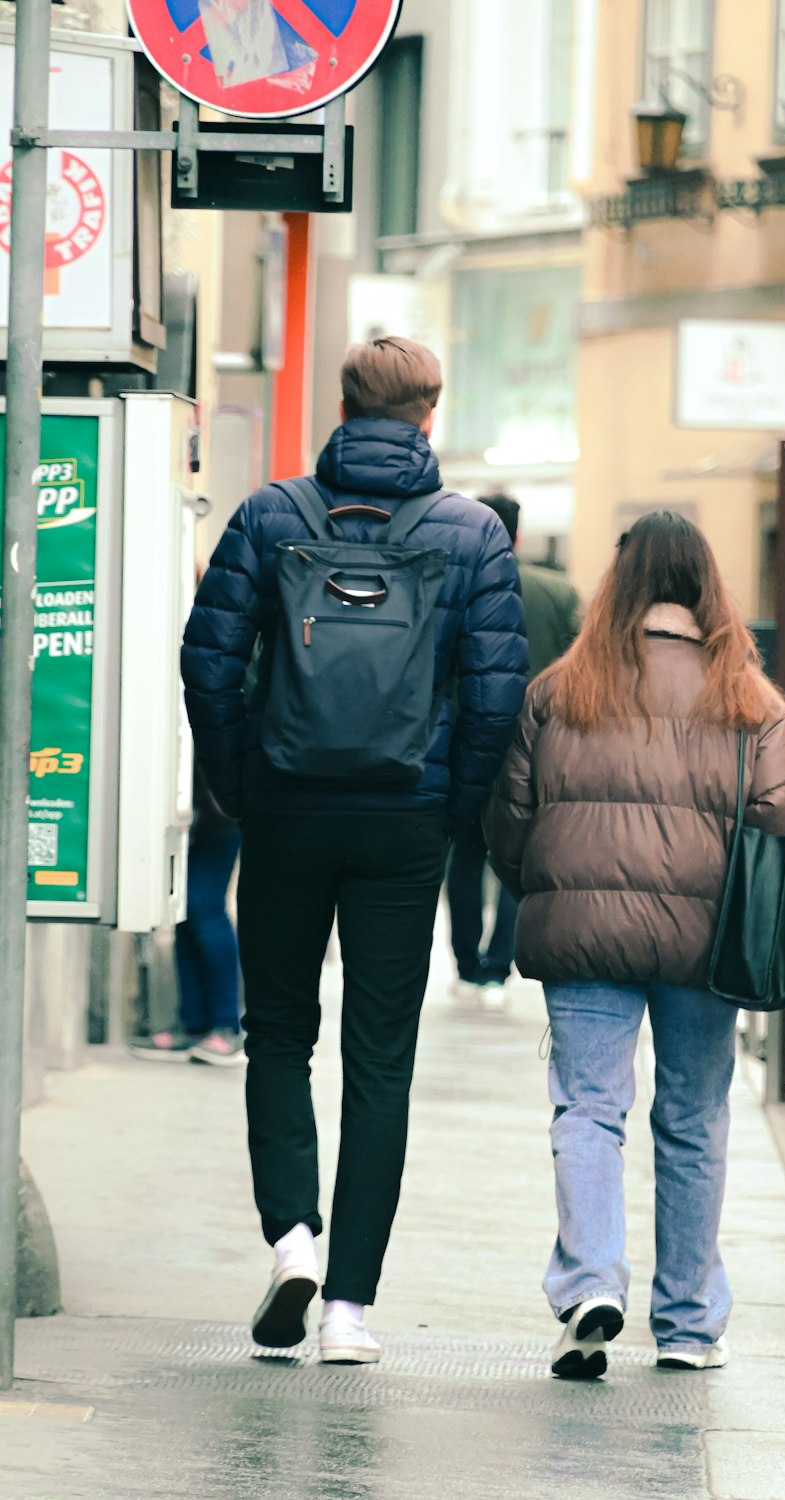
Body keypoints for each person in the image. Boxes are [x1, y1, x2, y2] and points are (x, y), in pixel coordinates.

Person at [181, 337, 528, 1364]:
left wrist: (244, 786)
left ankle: (291, 1239)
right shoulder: (472, 535)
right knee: (382, 1061)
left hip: (286, 810)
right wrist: (450, 812)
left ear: (342, 406)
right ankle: (347, 1310)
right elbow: (495, 697)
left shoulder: (270, 516)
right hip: (403, 823)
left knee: (278, 1032)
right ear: (430, 414)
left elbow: (208, 666)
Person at [486, 511, 785, 1380]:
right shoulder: (748, 699)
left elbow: (511, 822)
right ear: (706, 586)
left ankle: (592, 1283)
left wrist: (554, 892)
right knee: (692, 1119)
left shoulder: (562, 689)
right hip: (705, 942)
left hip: (585, 935)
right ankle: (686, 1324)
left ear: (619, 587)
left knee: (589, 1108)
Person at [446, 491, 579, 1005]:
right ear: (519, 534)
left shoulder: (457, 587)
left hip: (468, 742)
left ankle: (464, 962)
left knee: (464, 854)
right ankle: (499, 966)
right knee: (517, 859)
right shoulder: (558, 593)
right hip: (538, 748)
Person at [128, 761, 243, 1066]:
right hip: (194, 813)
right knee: (185, 914)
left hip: (217, 814)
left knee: (205, 910)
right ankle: (195, 1025)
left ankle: (226, 1026)